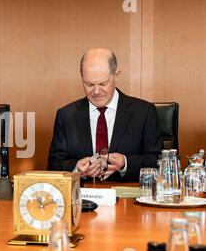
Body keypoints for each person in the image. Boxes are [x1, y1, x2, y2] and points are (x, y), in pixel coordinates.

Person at [47, 48, 162, 182]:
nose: (96, 91)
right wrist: (76, 169)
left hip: (128, 198)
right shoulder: (67, 115)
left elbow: (158, 161)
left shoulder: (144, 112)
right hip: (83, 198)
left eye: (103, 84)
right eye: (89, 84)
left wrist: (125, 163)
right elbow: (54, 165)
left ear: (117, 75)